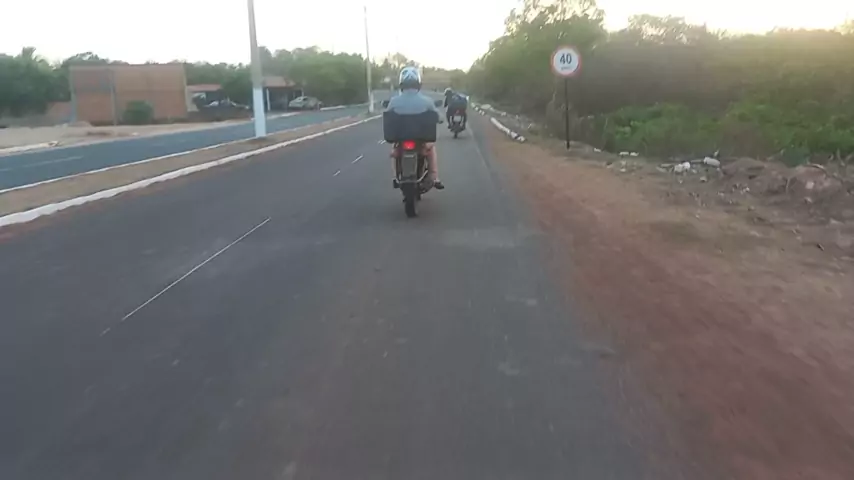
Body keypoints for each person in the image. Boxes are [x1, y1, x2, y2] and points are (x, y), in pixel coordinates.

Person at [385, 67, 444, 189]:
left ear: (401, 84)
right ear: (418, 84)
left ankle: (395, 177)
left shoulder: (394, 101)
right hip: (421, 139)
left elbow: (388, 115)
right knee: (430, 149)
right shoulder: (427, 101)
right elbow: (440, 118)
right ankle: (434, 177)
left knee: (395, 150)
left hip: (401, 139)